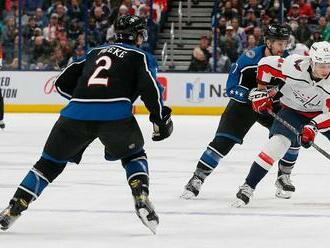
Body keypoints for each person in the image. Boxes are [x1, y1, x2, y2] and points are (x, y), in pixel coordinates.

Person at [0, 15, 173, 234]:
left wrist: (86, 98)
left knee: (48, 164)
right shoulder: (141, 56)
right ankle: (140, 195)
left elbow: (62, 82)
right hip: (115, 117)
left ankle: (14, 207)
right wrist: (160, 119)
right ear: (138, 35)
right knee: (133, 155)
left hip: (74, 115)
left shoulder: (94, 52)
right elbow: (152, 89)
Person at [181, 24, 299, 200]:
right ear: (268, 42)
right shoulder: (249, 58)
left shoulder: (289, 62)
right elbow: (231, 88)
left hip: (272, 106)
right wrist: (251, 95)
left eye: (285, 43)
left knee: (293, 135)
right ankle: (197, 178)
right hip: (244, 105)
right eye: (279, 44)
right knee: (222, 142)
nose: (283, 48)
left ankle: (283, 177)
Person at [232, 41, 330, 207]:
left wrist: (312, 127)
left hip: (321, 114)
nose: (325, 70)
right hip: (292, 111)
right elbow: (264, 64)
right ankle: (248, 186)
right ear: (311, 61)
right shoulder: (294, 66)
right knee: (277, 145)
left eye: (329, 65)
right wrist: (262, 92)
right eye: (321, 65)